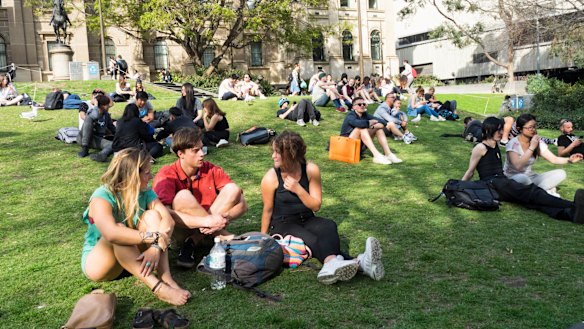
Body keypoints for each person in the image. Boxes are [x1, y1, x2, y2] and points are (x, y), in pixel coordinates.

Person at [260, 131, 384, 284]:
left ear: (291, 154)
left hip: (307, 218)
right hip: (283, 224)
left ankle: (337, 264)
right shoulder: (271, 177)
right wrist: (262, 238)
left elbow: (316, 205)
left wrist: (298, 189)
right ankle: (356, 262)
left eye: (277, 152)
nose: (273, 156)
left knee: (328, 226)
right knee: (312, 238)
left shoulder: (310, 169)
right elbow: (268, 210)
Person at [81, 148, 191, 306]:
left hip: (134, 258)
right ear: (132, 175)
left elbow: (168, 221)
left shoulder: (145, 192)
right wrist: (153, 237)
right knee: (118, 231)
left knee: (153, 216)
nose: (151, 176)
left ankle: (166, 278)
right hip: (101, 263)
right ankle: (158, 288)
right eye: (147, 173)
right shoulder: (102, 196)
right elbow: (111, 234)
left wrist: (155, 247)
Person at [152, 127, 247, 268]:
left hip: (212, 227)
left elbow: (242, 204)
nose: (202, 154)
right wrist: (207, 221)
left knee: (233, 189)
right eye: (195, 151)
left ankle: (194, 241)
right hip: (182, 232)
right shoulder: (167, 174)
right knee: (183, 196)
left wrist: (223, 219)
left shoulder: (210, 169)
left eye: (202, 149)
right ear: (180, 154)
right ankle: (221, 236)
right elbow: (163, 213)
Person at [461, 116, 584, 224]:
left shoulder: (495, 145)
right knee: (533, 193)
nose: (502, 132)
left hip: (501, 181)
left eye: (501, 129)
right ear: (488, 130)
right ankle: (573, 206)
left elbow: (553, 159)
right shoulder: (480, 147)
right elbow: (470, 171)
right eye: (498, 129)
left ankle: (570, 214)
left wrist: (569, 160)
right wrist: (458, 186)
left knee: (532, 202)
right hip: (494, 184)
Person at [504, 114, 582, 196]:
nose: (533, 130)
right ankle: (544, 191)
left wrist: (569, 160)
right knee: (523, 179)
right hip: (513, 178)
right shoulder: (513, 144)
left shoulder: (537, 142)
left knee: (561, 173)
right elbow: (518, 166)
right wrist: (532, 147)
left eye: (534, 126)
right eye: (530, 127)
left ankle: (538, 192)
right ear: (519, 129)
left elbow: (554, 159)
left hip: (531, 177)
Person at [340, 97, 402, 165]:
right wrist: (369, 122)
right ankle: (376, 155)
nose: (362, 106)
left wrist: (372, 126)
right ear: (354, 107)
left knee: (378, 129)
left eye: (364, 104)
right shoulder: (350, 115)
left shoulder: (365, 114)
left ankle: (388, 154)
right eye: (359, 104)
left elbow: (383, 122)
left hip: (359, 145)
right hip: (346, 146)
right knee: (361, 128)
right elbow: (357, 123)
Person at [77, 94, 116, 162]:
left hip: (95, 139)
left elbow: (112, 128)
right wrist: (95, 105)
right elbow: (95, 116)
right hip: (83, 138)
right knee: (88, 119)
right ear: (101, 106)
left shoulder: (106, 115)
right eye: (107, 105)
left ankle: (101, 155)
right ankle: (85, 148)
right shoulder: (92, 112)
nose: (109, 106)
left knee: (111, 145)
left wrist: (121, 136)